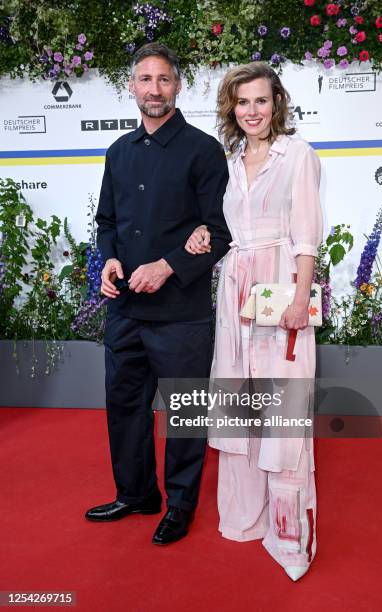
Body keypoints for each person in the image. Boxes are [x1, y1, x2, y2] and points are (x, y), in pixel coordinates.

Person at [85, 42, 231, 546]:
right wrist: (110, 258)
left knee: (184, 410)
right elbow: (107, 222)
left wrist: (168, 266)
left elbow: (219, 233)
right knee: (124, 405)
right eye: (145, 79)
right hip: (125, 309)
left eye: (164, 79)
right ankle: (136, 493)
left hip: (180, 315)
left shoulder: (204, 150)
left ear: (178, 86)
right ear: (132, 86)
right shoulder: (118, 151)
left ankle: (181, 504)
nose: (154, 88)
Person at [185, 62, 323, 580]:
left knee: (281, 411)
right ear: (232, 108)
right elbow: (225, 225)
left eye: (261, 101)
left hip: (279, 285)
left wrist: (299, 299)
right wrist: (203, 234)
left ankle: (288, 535)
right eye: (242, 103)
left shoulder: (298, 155)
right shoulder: (230, 159)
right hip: (235, 291)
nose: (252, 112)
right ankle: (245, 518)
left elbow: (306, 236)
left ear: (276, 103)